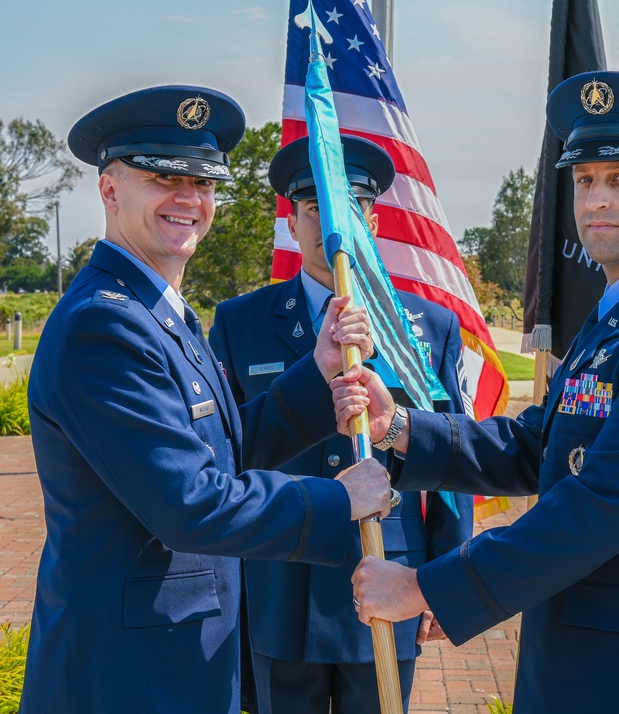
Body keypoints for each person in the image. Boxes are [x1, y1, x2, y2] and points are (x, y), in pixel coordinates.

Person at [339, 71, 619, 713]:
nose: (596, 198)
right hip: (584, 663)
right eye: (585, 179)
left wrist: (426, 587)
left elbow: (600, 504)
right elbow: (537, 444)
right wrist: (397, 425)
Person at [21, 85, 393, 714]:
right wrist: (339, 499)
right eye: (164, 177)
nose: (188, 199)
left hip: (177, 652)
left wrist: (317, 379)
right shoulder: (103, 325)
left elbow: (219, 451)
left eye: (203, 182)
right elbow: (188, 503)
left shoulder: (157, 311)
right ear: (109, 190)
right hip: (131, 672)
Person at [208, 135, 474, 714]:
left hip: (386, 573)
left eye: (350, 210)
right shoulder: (240, 323)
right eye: (314, 210)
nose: (331, 226)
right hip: (279, 582)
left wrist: (446, 577)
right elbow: (225, 453)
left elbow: (454, 462)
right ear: (294, 222)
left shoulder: (425, 328)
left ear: (372, 220)